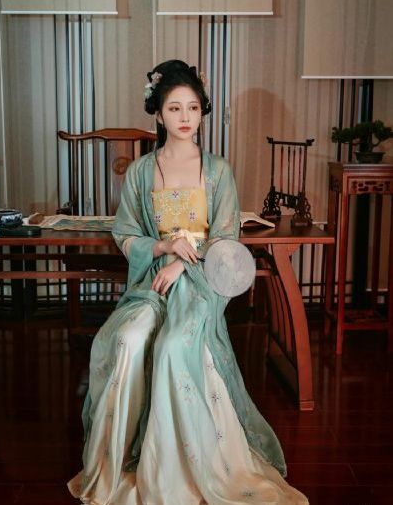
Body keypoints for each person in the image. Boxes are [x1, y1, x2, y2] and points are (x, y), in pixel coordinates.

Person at [68, 60, 309, 504]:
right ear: (158, 114)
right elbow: (125, 233)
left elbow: (226, 238)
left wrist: (183, 262)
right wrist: (163, 248)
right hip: (152, 280)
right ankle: (123, 457)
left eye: (193, 108)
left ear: (202, 112)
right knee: (126, 338)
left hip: (201, 281)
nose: (185, 117)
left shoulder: (217, 170)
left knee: (174, 344)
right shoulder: (141, 171)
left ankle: (183, 467)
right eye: (174, 108)